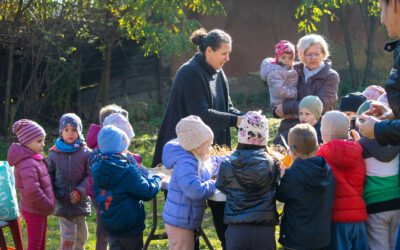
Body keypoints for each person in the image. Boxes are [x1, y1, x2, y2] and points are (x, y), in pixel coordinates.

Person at [153, 28, 243, 249]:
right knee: (185, 219)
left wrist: (246, 118)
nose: (227, 58)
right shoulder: (190, 73)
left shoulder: (218, 71)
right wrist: (236, 122)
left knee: (222, 208)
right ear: (209, 50)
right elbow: (201, 114)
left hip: (210, 151)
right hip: (183, 154)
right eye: (224, 53)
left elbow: (227, 107)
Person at [91, 125, 164, 250]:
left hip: (111, 226)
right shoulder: (126, 170)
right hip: (130, 228)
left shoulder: (96, 169)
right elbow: (147, 191)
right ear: (121, 147)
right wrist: (158, 179)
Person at [216, 111, 280, 250]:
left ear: (241, 135)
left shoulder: (227, 163)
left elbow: (221, 187)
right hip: (265, 229)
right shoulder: (272, 164)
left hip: (237, 228)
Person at [162, 115, 224, 250]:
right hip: (180, 223)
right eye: (208, 145)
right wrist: (216, 183)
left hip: (183, 220)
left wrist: (230, 159)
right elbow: (194, 190)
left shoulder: (194, 159)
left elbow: (212, 162)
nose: (211, 148)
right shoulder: (186, 163)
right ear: (197, 147)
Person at [87, 112, 148, 250]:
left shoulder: (98, 158)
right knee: (107, 233)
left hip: (105, 203)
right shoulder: (125, 165)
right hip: (126, 218)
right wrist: (151, 177)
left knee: (106, 231)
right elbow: (144, 189)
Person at [273, 34, 339, 147]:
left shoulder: (331, 76)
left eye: (317, 54)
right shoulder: (292, 71)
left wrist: (286, 107)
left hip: (317, 127)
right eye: (308, 54)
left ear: (323, 54)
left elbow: (320, 105)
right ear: (301, 55)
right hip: (290, 125)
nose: (313, 58)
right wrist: (276, 109)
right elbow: (277, 95)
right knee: (279, 150)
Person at [277, 123, 335, 250]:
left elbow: (281, 196)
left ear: (292, 149)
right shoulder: (326, 170)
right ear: (318, 147)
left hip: (296, 238)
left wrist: (282, 178)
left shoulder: (293, 174)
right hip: (321, 237)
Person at [316, 111, 368, 250]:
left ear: (323, 132)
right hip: (358, 218)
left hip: (336, 217)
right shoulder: (358, 152)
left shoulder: (321, 154)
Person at [356, 101, 400, 250]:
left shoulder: (361, 146)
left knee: (378, 246)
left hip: (374, 204)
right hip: (396, 202)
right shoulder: (397, 144)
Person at [7, 119, 55, 250]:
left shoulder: (35, 158)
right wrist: (47, 204)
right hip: (34, 209)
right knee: (35, 245)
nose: (43, 144)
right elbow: (32, 190)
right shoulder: (27, 163)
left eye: (43, 140)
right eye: (39, 141)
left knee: (40, 244)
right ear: (26, 142)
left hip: (40, 208)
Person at [47, 113, 91, 250]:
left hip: (79, 201)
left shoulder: (86, 152)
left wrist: (80, 191)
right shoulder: (54, 153)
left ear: (80, 131)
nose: (70, 133)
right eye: (66, 130)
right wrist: (54, 193)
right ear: (61, 132)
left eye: (74, 130)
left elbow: (90, 175)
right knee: (68, 237)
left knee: (82, 236)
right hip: (63, 201)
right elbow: (48, 175)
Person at [260, 40, 298, 115]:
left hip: (288, 101)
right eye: (284, 58)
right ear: (277, 58)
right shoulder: (275, 72)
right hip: (278, 104)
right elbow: (279, 91)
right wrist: (296, 93)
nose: (287, 60)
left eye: (290, 58)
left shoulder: (288, 69)